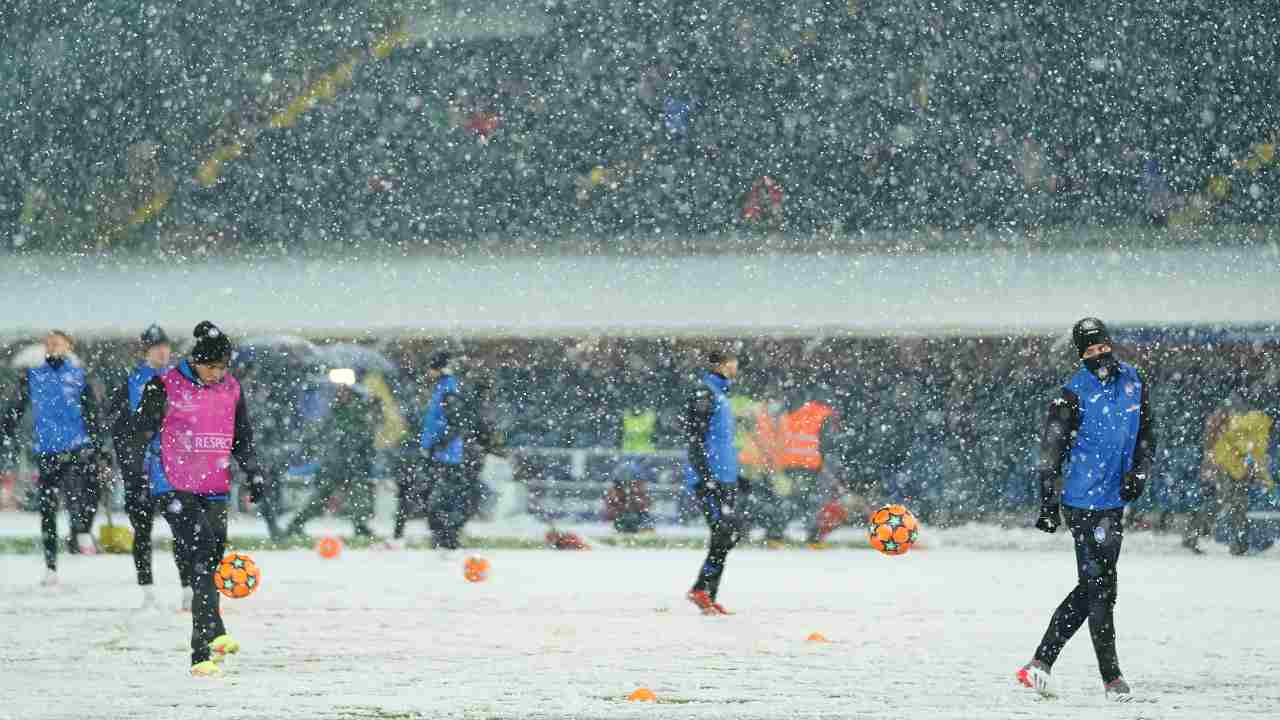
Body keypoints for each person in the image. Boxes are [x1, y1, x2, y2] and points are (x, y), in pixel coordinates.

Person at [1018, 318, 1156, 701]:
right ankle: (1112, 680)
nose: (1100, 355)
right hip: (1082, 503)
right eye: (1090, 351)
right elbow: (1050, 456)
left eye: (1103, 347)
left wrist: (1140, 473)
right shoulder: (1071, 395)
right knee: (1100, 587)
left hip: (1114, 502)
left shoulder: (1135, 381)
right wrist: (1047, 504)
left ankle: (1039, 664)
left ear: (1111, 344)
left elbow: (1147, 436)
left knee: (1099, 586)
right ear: (1081, 355)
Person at [130, 321, 269, 677]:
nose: (217, 374)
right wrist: (136, 474)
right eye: (211, 367)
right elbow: (137, 434)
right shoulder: (163, 385)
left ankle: (217, 633)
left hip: (214, 485)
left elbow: (243, 437)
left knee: (212, 560)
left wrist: (253, 473)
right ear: (196, 360)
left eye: (223, 367)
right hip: (174, 485)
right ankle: (200, 651)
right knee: (204, 550)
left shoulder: (232, 389)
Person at [1, 330, 105, 584]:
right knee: (47, 508)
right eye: (48, 342)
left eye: (57, 341)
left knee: (77, 493)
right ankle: (51, 566)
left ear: (69, 346)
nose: (51, 345)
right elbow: (15, 409)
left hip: (76, 447)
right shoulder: (33, 375)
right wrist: (6, 430)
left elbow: (92, 412)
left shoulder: (80, 376)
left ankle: (80, 531)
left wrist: (98, 445)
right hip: (47, 449)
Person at [107, 324, 192, 608]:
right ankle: (148, 590)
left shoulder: (180, 379)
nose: (163, 351)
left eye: (166, 346)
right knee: (142, 530)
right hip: (141, 467)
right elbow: (119, 426)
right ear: (146, 351)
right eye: (157, 347)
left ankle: (188, 588)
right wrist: (129, 460)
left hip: (173, 468)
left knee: (182, 528)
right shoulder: (131, 381)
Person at [684, 348, 749, 616]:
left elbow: (720, 441)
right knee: (723, 531)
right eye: (733, 362)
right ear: (722, 365)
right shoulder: (705, 394)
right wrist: (707, 477)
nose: (736, 367)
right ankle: (702, 590)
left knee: (730, 532)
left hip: (725, 477)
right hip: (711, 479)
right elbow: (695, 441)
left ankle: (706, 592)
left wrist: (736, 476)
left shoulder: (720, 395)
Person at [284, 378, 381, 539]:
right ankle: (297, 523)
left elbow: (364, 436)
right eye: (340, 391)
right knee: (321, 499)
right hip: (336, 463)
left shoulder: (355, 411)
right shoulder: (338, 412)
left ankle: (359, 526)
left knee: (359, 498)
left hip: (351, 462)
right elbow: (331, 435)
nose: (341, 394)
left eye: (344, 391)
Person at [1183, 392, 1274, 555]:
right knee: (1229, 503)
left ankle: (1237, 543)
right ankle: (1234, 543)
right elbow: (1252, 451)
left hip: (1230, 464)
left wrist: (1263, 477)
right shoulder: (1259, 425)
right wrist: (1265, 479)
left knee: (1233, 504)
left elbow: (1253, 453)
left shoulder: (1253, 421)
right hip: (1228, 465)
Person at [419, 352, 466, 550]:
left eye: (431, 367)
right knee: (435, 497)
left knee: (440, 499)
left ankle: (447, 539)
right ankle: (443, 537)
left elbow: (456, 424)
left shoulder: (448, 390)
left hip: (446, 456)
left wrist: (439, 445)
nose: (428, 372)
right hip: (438, 454)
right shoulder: (442, 388)